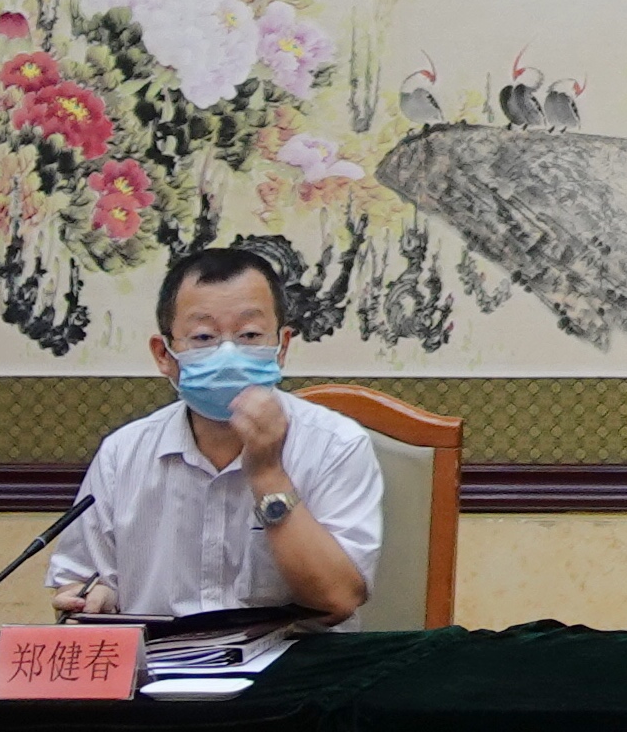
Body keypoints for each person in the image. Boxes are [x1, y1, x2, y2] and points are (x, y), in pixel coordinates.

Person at [47, 244, 383, 624]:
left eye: (250, 334)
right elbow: (83, 580)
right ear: (164, 355)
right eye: (204, 337)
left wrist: (268, 475)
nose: (228, 354)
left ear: (282, 347)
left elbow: (338, 600)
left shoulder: (336, 444)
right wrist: (95, 598)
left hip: (291, 658)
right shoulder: (121, 455)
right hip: (160, 657)